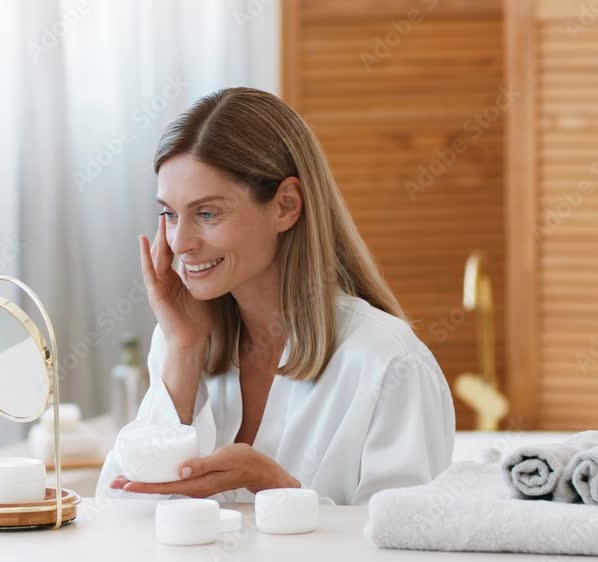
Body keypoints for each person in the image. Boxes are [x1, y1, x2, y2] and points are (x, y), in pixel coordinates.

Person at [94, 87, 455, 505]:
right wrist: (183, 351)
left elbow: (407, 535)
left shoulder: (391, 365)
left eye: (207, 213)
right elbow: (118, 513)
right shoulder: (181, 339)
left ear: (285, 206)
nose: (180, 242)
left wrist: (276, 487)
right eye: (170, 214)